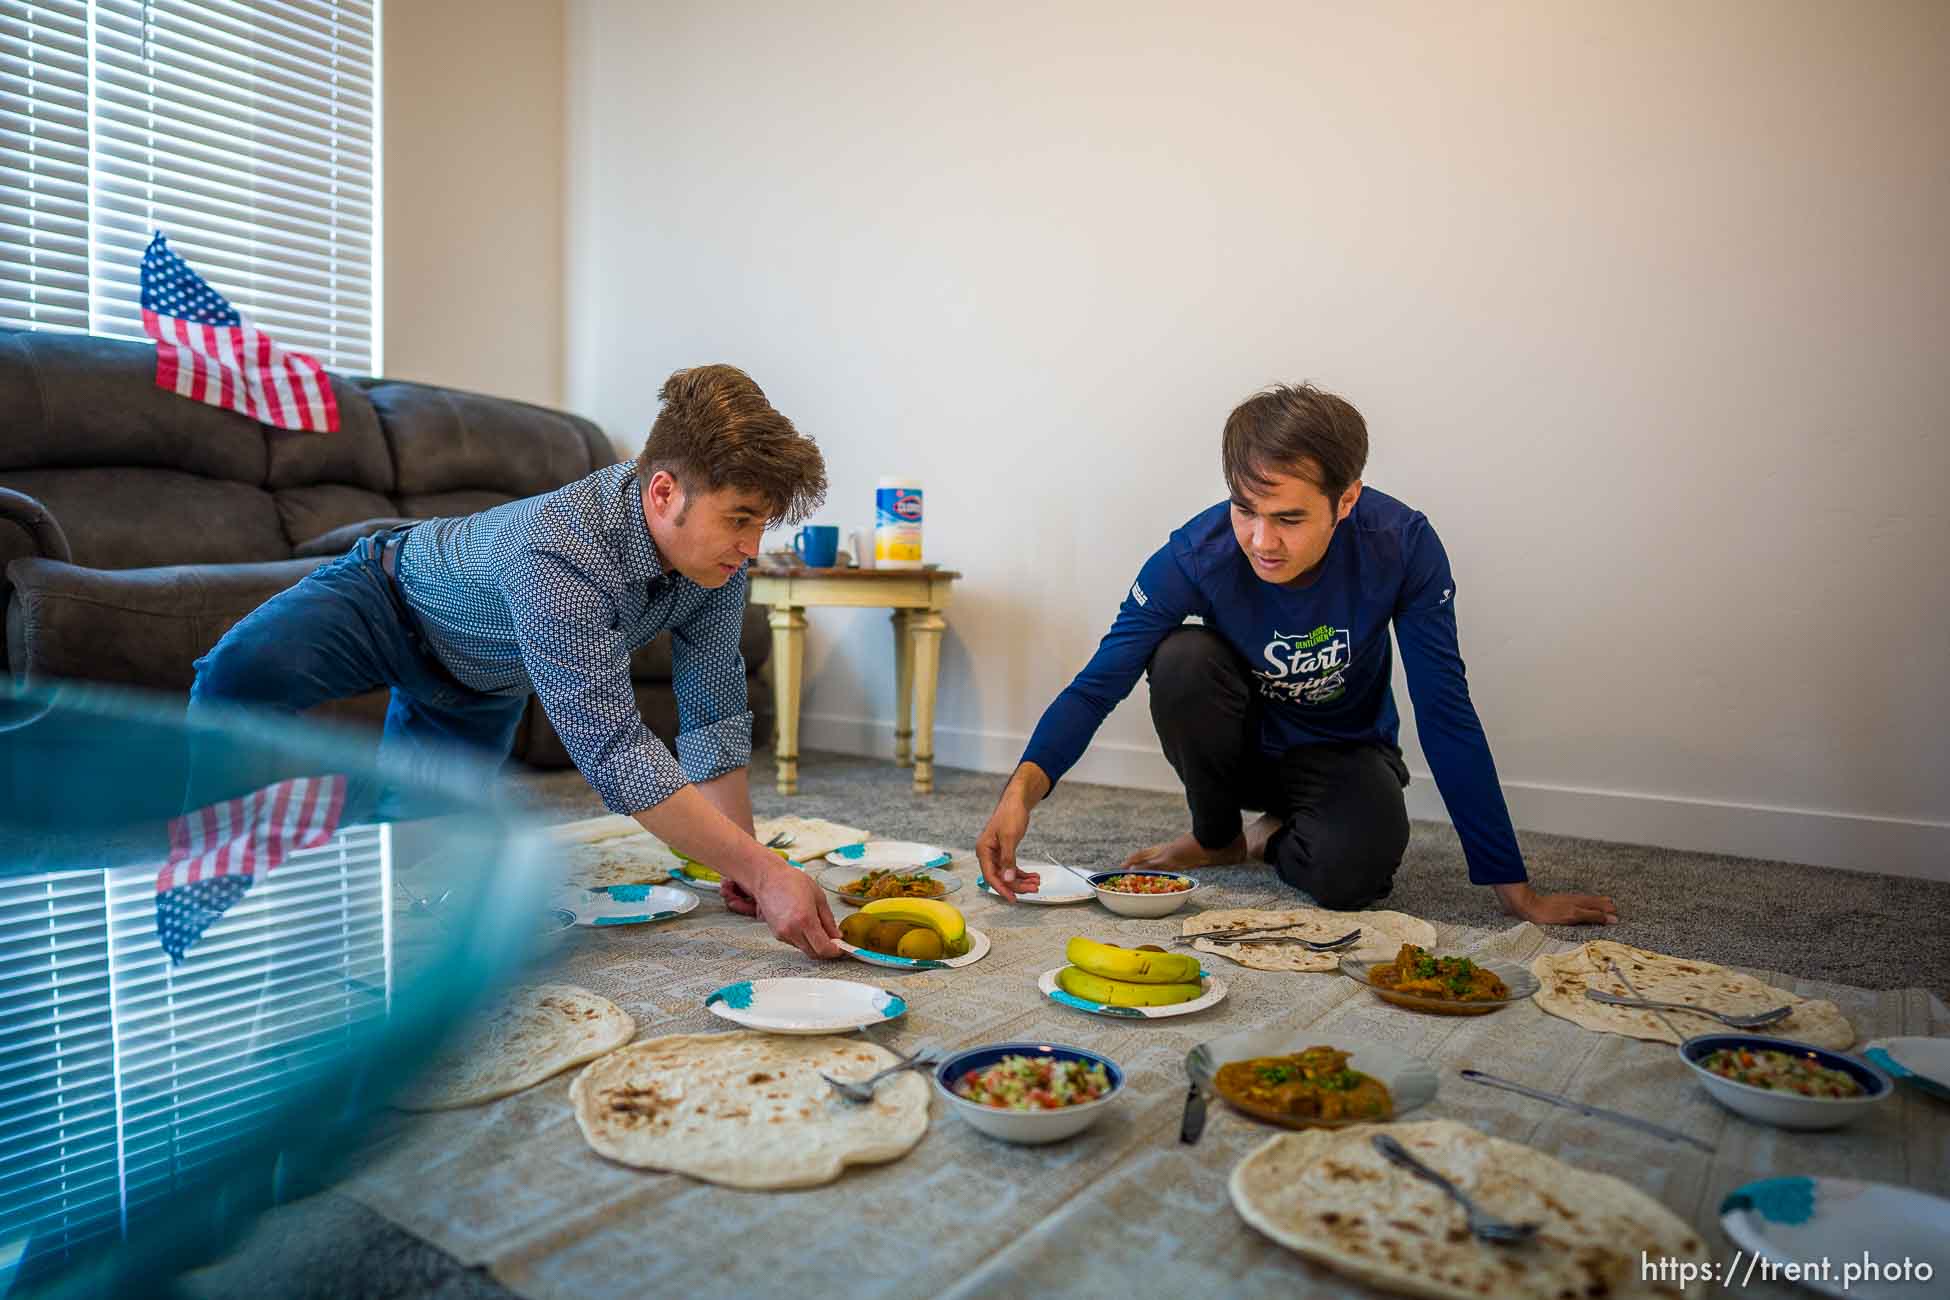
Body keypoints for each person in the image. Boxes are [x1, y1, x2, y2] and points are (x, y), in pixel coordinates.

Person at [189, 364, 845, 957]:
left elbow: (713, 717)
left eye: (763, 523)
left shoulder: (719, 573)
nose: (752, 546)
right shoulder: (563, 551)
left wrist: (746, 868)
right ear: (665, 492)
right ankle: (201, 878)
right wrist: (767, 870)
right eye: (739, 519)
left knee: (422, 885)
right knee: (233, 678)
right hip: (384, 599)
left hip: (479, 683)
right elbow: (615, 751)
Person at [975, 383, 1618, 926]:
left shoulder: (1402, 546)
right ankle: (1218, 836)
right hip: (1239, 750)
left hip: (1344, 750)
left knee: (1353, 879)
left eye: (1287, 518)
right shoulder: (1194, 554)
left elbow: (1445, 710)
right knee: (1181, 658)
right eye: (1245, 510)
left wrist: (1516, 890)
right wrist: (1019, 795)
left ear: (1346, 500)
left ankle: (1269, 836)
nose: (1261, 540)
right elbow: (1098, 684)